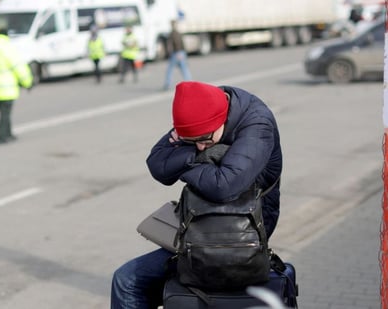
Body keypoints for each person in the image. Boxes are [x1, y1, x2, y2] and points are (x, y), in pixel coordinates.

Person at [111, 81, 283, 309]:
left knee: (129, 281)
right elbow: (157, 166)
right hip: (199, 222)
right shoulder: (196, 111)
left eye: (205, 140)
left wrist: (183, 161)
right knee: (126, 279)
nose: (201, 147)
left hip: (243, 230)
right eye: (192, 142)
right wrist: (202, 156)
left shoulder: (257, 123)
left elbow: (224, 186)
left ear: (221, 120)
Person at [0, 27, 33, 144]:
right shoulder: (9, 49)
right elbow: (19, 68)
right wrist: (28, 83)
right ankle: (2, 136)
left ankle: (8, 133)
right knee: (5, 113)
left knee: (3, 112)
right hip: (8, 88)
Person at [163, 20, 192, 90]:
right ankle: (190, 83)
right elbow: (182, 43)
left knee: (170, 69)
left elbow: (177, 43)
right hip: (181, 52)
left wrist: (178, 52)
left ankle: (167, 84)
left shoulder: (173, 33)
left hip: (177, 53)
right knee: (184, 69)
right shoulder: (178, 33)